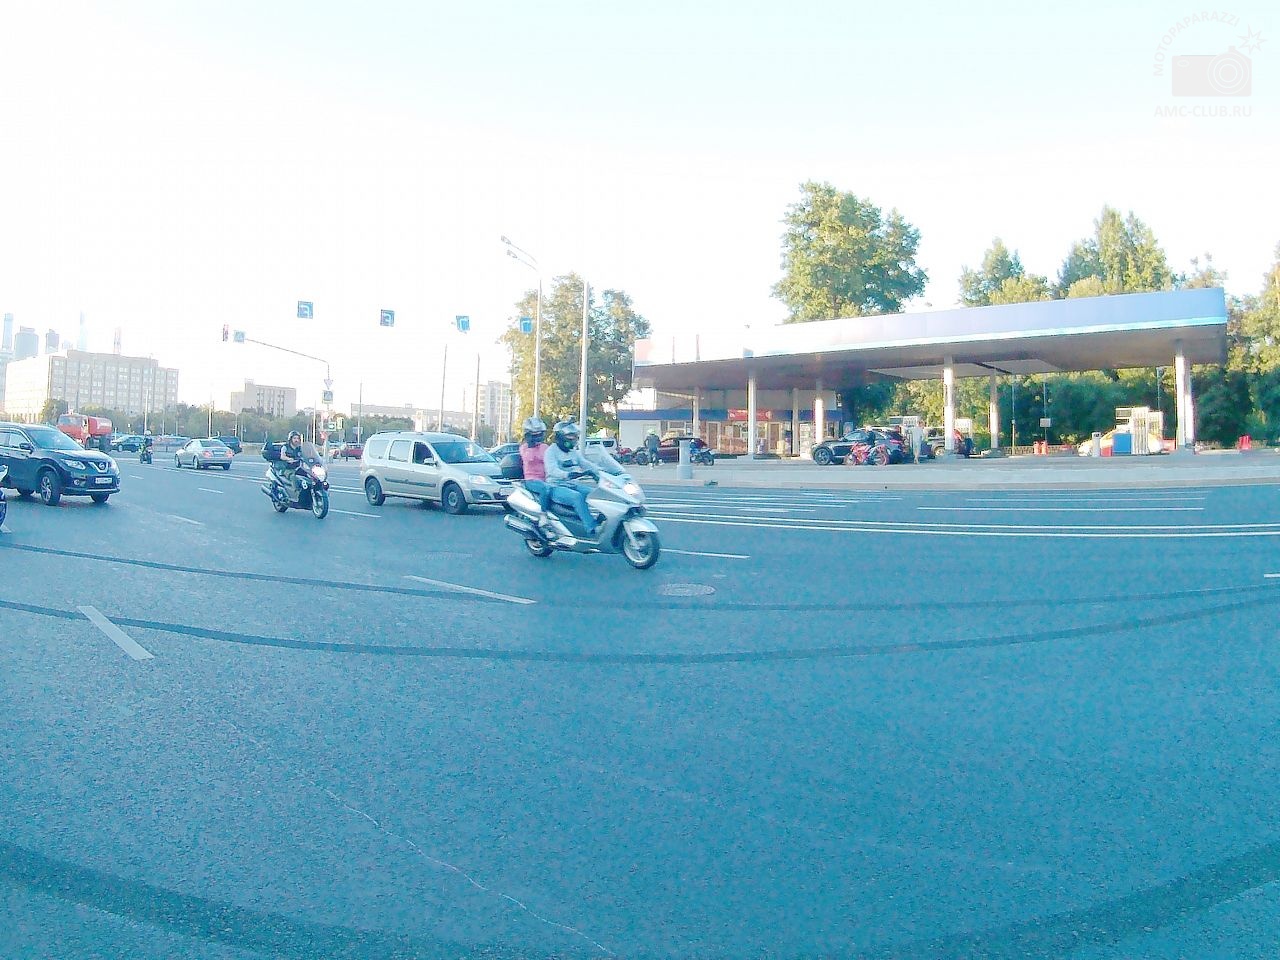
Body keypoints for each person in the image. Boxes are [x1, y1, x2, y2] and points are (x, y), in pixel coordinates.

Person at [544, 421, 602, 535]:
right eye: (570, 436)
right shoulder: (551, 451)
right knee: (577, 497)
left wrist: (600, 471)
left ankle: (602, 521)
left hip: (573, 485)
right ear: (560, 437)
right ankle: (591, 529)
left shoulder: (572, 451)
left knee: (598, 494)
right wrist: (567, 475)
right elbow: (552, 470)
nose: (573, 439)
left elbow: (585, 463)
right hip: (555, 486)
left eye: (575, 436)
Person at [279, 430, 306, 499]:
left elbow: (305, 455)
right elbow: (282, 456)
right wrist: (288, 459)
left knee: (309, 475)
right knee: (293, 477)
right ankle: (296, 493)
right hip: (287, 468)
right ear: (290, 439)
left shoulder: (299, 448)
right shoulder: (285, 447)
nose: (296, 440)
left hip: (298, 468)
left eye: (297, 438)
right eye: (294, 438)